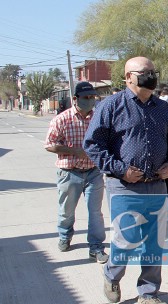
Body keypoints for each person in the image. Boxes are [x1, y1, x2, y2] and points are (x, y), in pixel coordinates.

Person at [83, 56, 168, 304]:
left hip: (157, 186)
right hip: (124, 186)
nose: (151, 75)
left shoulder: (164, 110)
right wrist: (121, 170)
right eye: (145, 72)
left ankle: (148, 292)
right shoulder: (111, 106)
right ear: (129, 77)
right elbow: (93, 145)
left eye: (153, 70)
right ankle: (112, 274)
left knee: (155, 242)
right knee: (126, 239)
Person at [44, 81, 108, 263]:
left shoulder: (98, 118)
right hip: (69, 172)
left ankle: (96, 247)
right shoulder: (61, 119)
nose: (90, 101)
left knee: (95, 212)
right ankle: (65, 236)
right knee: (67, 211)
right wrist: (75, 151)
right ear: (75, 99)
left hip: (93, 172)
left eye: (92, 98)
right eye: (86, 98)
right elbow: (49, 145)